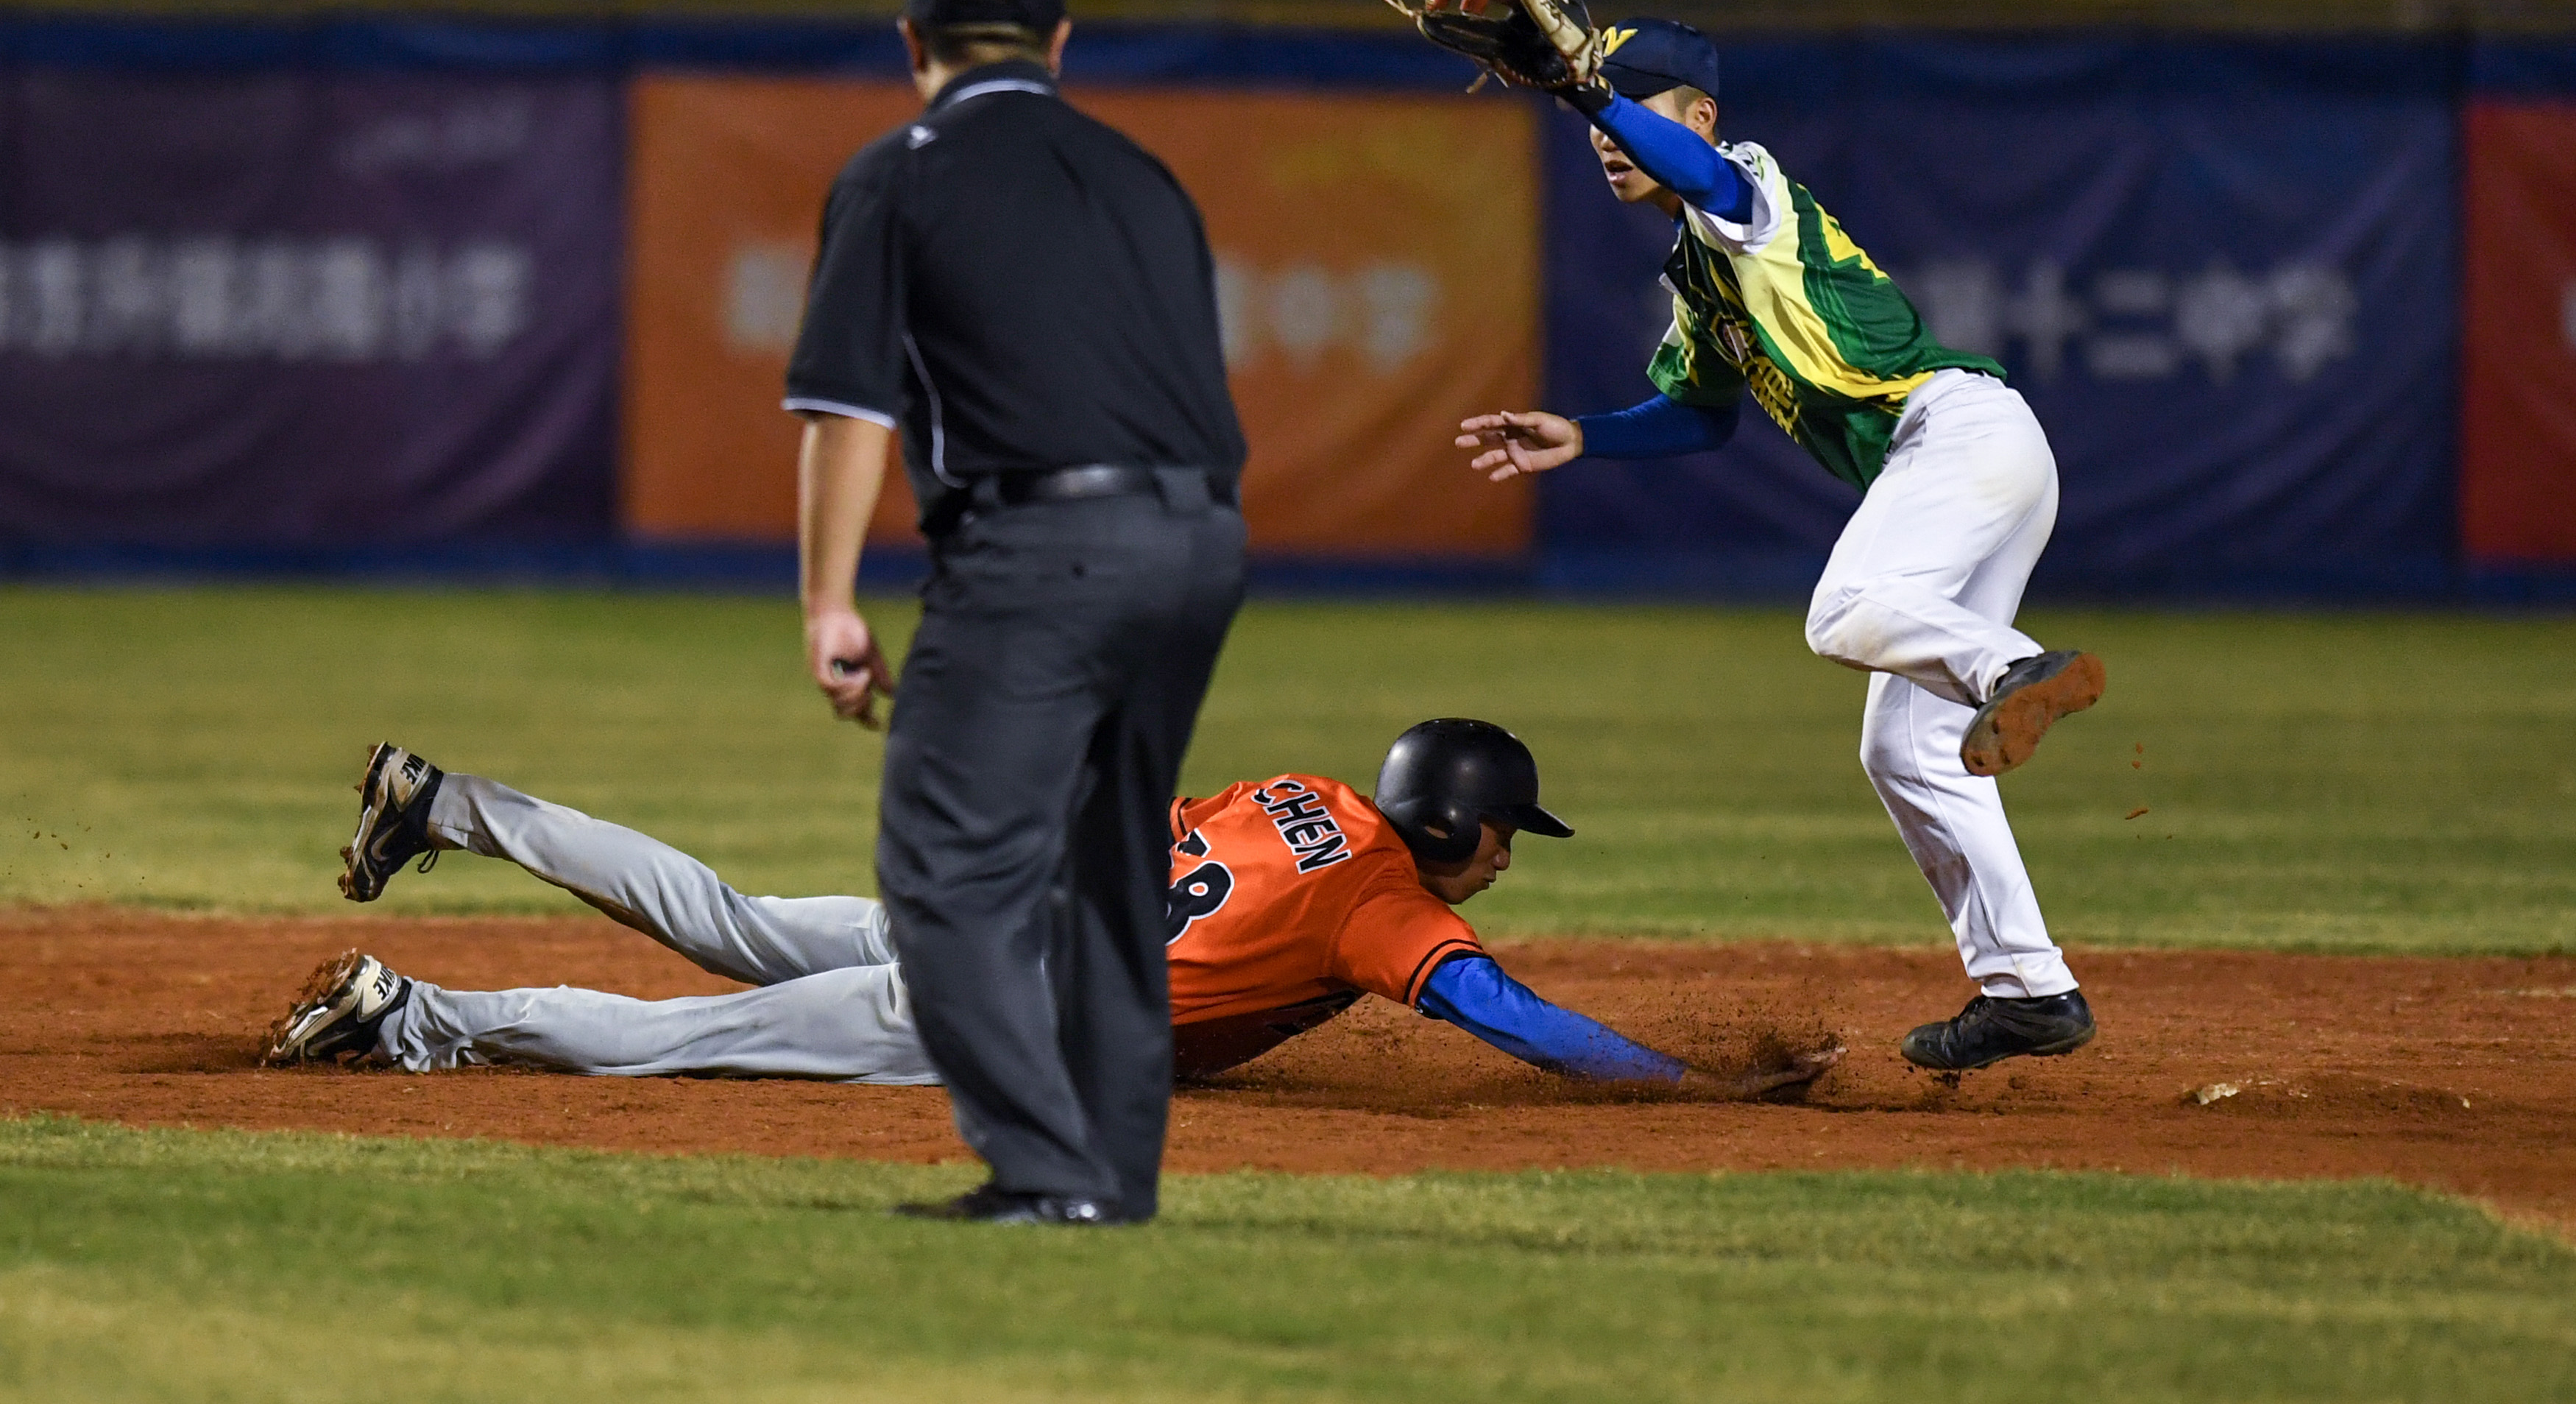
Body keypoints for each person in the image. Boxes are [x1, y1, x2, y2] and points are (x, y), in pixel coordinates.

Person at [1457, 18, 2104, 1074]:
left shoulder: (1747, 189)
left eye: (1632, 108)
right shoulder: (1699, 270)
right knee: (1901, 748)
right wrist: (1584, 436)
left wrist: (1582, 88)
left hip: (1956, 434)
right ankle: (2029, 988)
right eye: (1595, 117)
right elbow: (1704, 413)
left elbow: (1700, 173)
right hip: (1973, 462)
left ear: (1700, 119)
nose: (1606, 138)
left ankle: (2015, 666)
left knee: (1842, 611)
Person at [787, 0, 1246, 1224]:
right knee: (1113, 869)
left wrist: (829, 600)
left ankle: (1046, 1167)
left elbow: (843, 406)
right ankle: (1111, 1179)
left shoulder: (899, 172)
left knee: (948, 870)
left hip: (1047, 546)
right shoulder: (1144, 174)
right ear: (1057, 46)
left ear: (912, 45)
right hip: (1204, 539)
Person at [272, 733, 1840, 1104]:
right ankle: (413, 1015)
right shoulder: (1379, 901)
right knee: (694, 1036)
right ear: (1449, 823)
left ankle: (449, 801)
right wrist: (1682, 1085)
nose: (1508, 856)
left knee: (727, 916)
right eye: (1503, 833)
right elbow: (1497, 1011)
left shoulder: (1300, 791)